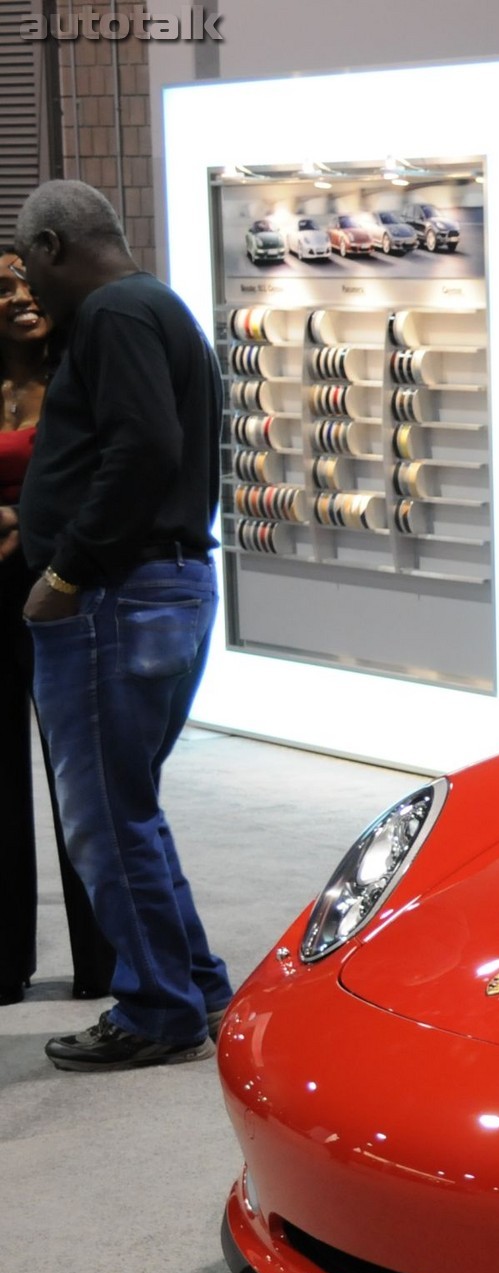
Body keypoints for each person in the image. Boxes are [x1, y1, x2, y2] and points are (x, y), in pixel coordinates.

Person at [13, 179, 229, 1070]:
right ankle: (193, 985)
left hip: (117, 599)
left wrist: (66, 570)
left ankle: (158, 1008)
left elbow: (143, 447)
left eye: (29, 264)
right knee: (126, 808)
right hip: (154, 592)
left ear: (55, 247)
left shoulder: (115, 315)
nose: (27, 285)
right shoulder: (153, 307)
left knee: (102, 818)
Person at [0, 249, 114, 1003]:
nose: (21, 296)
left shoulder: (80, 371)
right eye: (5, 287)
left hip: (63, 583)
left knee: (81, 775)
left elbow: (110, 468)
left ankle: (105, 963)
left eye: (28, 282)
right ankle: (6, 962)